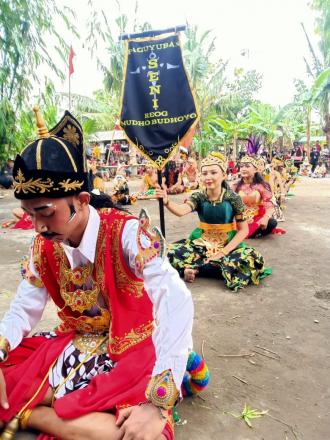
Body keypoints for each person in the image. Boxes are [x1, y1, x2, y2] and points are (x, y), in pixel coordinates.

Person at [0, 108, 194, 440]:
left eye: (46, 212)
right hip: (72, 341)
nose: (39, 227)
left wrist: (158, 405)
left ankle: (32, 412)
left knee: (142, 432)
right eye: (30, 215)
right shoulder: (43, 247)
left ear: (82, 199)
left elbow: (176, 301)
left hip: (131, 348)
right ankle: (46, 407)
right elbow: (23, 308)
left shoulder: (126, 235)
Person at [156, 152, 271, 291]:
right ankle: (207, 268)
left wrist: (223, 252)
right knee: (167, 251)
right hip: (201, 241)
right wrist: (167, 202)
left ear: (223, 175)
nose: (208, 177)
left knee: (251, 259)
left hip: (227, 243)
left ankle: (193, 268)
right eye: (204, 173)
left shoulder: (233, 198)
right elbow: (181, 210)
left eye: (213, 172)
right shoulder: (199, 196)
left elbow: (243, 230)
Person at [232, 155, 277, 238]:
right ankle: (250, 233)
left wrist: (266, 218)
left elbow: (269, 204)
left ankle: (246, 233)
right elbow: (229, 204)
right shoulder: (235, 185)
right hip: (239, 218)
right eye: (241, 166)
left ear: (256, 169)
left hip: (255, 218)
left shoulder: (262, 186)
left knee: (272, 222)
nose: (243, 169)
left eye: (247, 166)